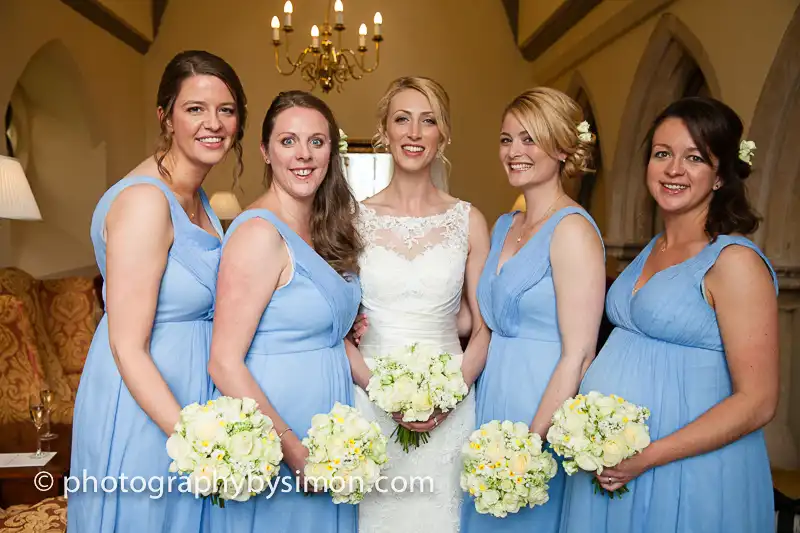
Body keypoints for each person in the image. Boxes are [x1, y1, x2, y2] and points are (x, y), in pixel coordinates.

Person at [559, 96, 779, 533]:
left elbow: (758, 402)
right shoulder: (650, 249)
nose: (674, 169)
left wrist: (648, 456)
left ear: (720, 176)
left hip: (685, 472)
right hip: (618, 466)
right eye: (663, 154)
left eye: (694, 158)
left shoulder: (734, 263)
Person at [68, 50, 246, 533]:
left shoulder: (200, 198)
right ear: (165, 117)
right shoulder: (147, 200)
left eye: (225, 110)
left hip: (193, 400)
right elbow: (127, 345)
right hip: (145, 406)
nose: (213, 123)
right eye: (195, 109)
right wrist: (196, 443)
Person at [207, 90, 362, 533]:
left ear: (332, 151)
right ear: (265, 151)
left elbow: (326, 322)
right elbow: (223, 360)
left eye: (317, 141)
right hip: (278, 421)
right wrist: (292, 451)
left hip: (330, 421)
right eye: (288, 141)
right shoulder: (258, 233)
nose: (304, 155)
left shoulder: (327, 226)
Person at [345, 76, 491, 532]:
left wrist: (449, 397)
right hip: (369, 403)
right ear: (384, 132)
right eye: (402, 120)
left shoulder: (470, 220)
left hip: (451, 402)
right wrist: (379, 392)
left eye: (427, 121)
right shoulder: (351, 219)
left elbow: (484, 328)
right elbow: (335, 329)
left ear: (443, 134)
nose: (413, 132)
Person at [461, 87, 605, 532]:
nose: (514, 151)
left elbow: (578, 354)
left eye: (529, 139)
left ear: (562, 148)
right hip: (492, 400)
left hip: (542, 404)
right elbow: (482, 323)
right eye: (506, 139)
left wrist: (530, 445)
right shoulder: (505, 223)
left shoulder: (573, 230)